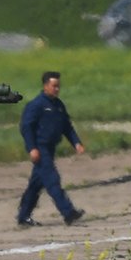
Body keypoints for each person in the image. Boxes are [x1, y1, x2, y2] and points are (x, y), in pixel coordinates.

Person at [16, 70, 86, 227]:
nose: (57, 89)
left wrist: (76, 142)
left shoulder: (58, 105)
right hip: (41, 149)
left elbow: (67, 127)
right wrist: (32, 148)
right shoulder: (36, 105)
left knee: (36, 185)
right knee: (53, 180)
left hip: (51, 148)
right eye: (54, 86)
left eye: (58, 86)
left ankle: (23, 216)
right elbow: (26, 127)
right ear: (46, 86)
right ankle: (68, 212)